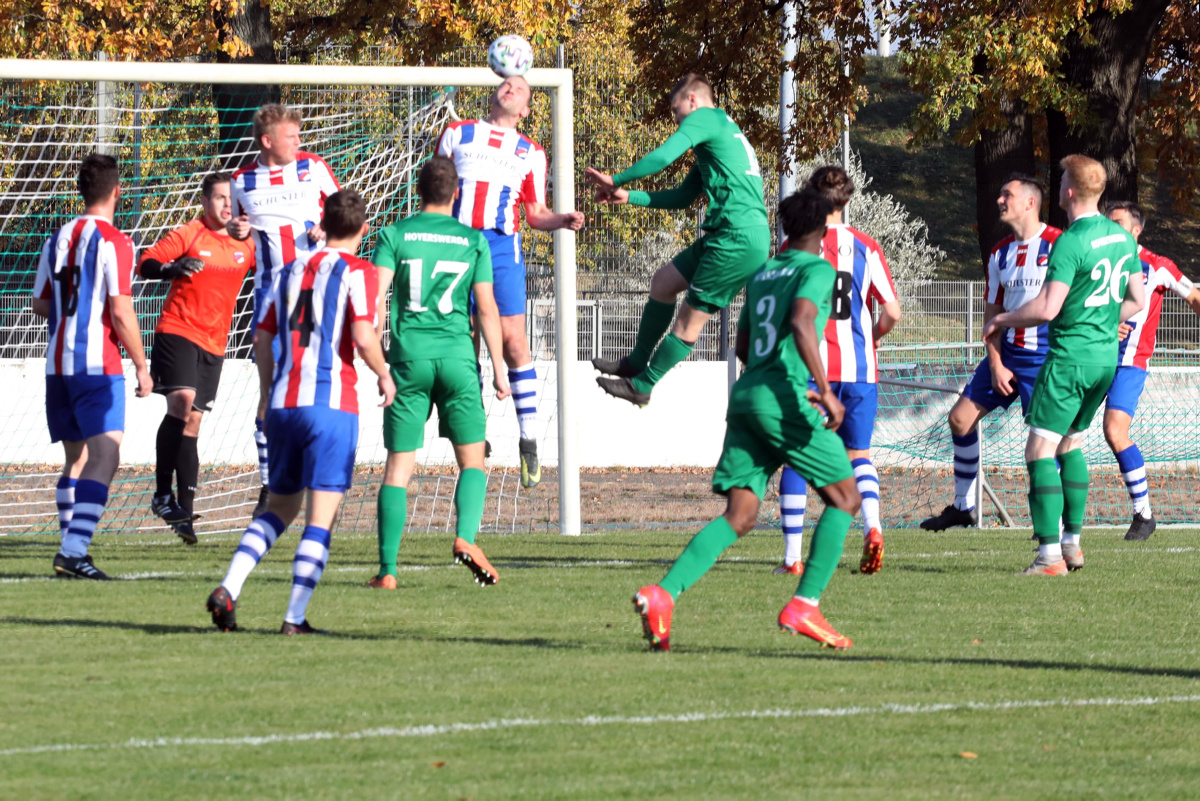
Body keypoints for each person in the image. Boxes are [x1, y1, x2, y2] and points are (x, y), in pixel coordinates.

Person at [632, 189, 862, 652]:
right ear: (822, 230)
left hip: (747, 395)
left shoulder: (761, 273)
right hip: (784, 397)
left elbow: (741, 345)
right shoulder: (817, 268)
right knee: (845, 498)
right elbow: (801, 322)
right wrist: (825, 391)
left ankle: (663, 593)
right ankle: (806, 604)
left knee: (740, 516)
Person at [206, 189, 394, 634]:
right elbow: (364, 336)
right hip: (330, 405)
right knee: (321, 516)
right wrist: (384, 374)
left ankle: (229, 588)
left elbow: (262, 339)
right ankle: (294, 618)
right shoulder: (359, 271)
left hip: (284, 405)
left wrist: (268, 395)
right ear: (364, 230)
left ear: (322, 224)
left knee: (279, 509)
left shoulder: (289, 270)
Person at [982, 155, 1144, 575]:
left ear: (1068, 191)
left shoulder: (1070, 241)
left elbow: (1048, 307)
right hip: (1105, 360)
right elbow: (1138, 301)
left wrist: (1002, 318)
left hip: (1070, 358)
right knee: (1070, 443)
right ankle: (1072, 546)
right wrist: (1105, 324)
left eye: (1060, 182)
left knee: (1039, 448)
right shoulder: (1122, 237)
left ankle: (1049, 556)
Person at [368, 157, 511, 589]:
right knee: (472, 462)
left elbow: (374, 302)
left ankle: (389, 572)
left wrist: (377, 361)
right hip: (458, 362)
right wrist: (500, 370)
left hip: (408, 360)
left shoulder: (394, 234)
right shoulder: (473, 241)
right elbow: (486, 308)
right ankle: (465, 538)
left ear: (419, 189)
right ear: (456, 193)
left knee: (398, 470)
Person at [586, 73, 771, 408]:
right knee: (663, 283)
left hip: (737, 237)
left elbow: (662, 157)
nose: (676, 120)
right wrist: (628, 196)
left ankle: (643, 385)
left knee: (688, 322)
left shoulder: (707, 118)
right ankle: (636, 361)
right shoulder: (718, 138)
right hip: (729, 232)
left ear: (693, 101)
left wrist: (616, 177)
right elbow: (684, 197)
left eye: (677, 111)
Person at [436, 76, 584, 489]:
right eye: (505, 85)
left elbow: (535, 211)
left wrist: (562, 220)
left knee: (514, 340)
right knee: (464, 339)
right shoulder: (458, 132)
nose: (510, 89)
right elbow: (436, 191)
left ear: (526, 110)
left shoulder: (531, 152)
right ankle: (474, 428)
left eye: (520, 89)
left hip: (502, 247)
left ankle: (529, 438)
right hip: (456, 243)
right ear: (492, 94)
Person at [772, 166, 901, 576]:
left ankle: (792, 558)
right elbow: (892, 312)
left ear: (811, 196)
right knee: (858, 455)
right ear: (846, 200)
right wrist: (874, 337)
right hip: (860, 370)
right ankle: (874, 527)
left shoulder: (795, 246)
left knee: (796, 457)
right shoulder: (866, 245)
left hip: (812, 371)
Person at [30, 153, 153, 579]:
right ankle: (74, 549)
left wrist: (73, 313)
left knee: (76, 460)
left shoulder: (57, 238)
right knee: (106, 456)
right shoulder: (116, 242)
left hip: (57, 366)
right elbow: (121, 312)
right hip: (97, 366)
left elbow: (40, 303)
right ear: (117, 191)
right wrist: (141, 364)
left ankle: (71, 547)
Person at [920, 175, 1060, 531]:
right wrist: (996, 363)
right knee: (959, 420)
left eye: (1007, 194)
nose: (999, 200)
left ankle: (1056, 528)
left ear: (1030, 203)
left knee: (1047, 444)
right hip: (1008, 354)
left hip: (1047, 358)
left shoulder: (1061, 245)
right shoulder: (999, 253)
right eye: (999, 193)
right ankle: (963, 508)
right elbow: (992, 317)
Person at [228, 103, 340, 518]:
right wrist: (238, 231)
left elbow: (346, 210)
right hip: (269, 297)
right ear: (267, 141)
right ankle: (267, 482)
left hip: (313, 291)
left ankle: (313, 470)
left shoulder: (313, 167)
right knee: (270, 390)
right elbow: (239, 232)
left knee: (314, 381)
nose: (299, 141)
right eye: (291, 136)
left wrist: (326, 227)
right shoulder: (242, 180)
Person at [138, 172, 255, 544]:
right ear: (205, 202)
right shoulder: (191, 232)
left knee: (193, 425)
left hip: (214, 343)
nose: (226, 205)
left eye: (231, 199)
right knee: (182, 401)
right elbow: (147, 261)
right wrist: (170, 269)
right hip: (177, 329)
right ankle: (161, 495)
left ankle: (184, 515)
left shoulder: (248, 244)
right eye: (219, 198)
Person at [1103, 201, 1200, 541]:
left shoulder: (1157, 266)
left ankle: (1144, 515)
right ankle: (1052, 517)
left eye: (1116, 222)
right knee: (1063, 431)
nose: (1109, 227)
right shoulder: (1096, 262)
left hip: (1130, 363)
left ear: (1135, 229)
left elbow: (1194, 296)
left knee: (1115, 431)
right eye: (1106, 221)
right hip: (1089, 357)